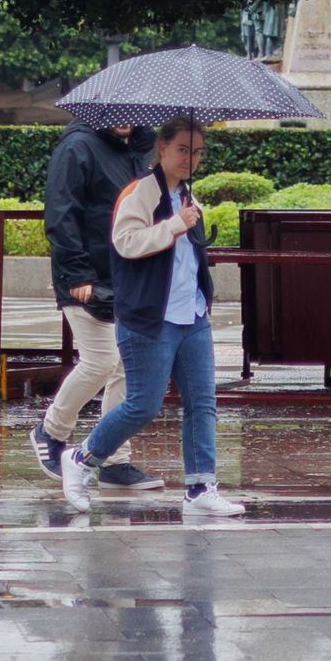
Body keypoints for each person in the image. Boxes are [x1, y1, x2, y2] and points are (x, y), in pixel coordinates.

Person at [60, 116, 245, 517]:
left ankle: (201, 487)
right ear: (162, 149)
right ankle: (82, 459)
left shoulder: (187, 196)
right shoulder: (141, 192)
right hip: (149, 317)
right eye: (183, 149)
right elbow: (126, 243)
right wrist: (176, 224)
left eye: (198, 152)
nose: (190, 159)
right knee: (143, 405)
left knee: (202, 402)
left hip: (191, 315)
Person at [29, 121, 162, 490]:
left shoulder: (143, 148)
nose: (125, 117)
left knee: (125, 367)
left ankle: (114, 459)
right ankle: (51, 431)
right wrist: (76, 275)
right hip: (87, 277)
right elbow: (61, 213)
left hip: (129, 275)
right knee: (101, 360)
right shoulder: (78, 147)